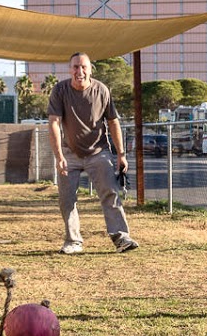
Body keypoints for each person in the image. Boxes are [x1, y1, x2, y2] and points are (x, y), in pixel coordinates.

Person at [47, 52, 138, 254]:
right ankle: (73, 241)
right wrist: (59, 156)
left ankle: (121, 237)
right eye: (75, 67)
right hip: (69, 153)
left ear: (90, 69)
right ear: (70, 69)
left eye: (83, 67)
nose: (79, 71)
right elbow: (53, 122)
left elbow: (113, 122)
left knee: (110, 193)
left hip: (99, 152)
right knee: (66, 198)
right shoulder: (60, 90)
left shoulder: (102, 90)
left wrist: (121, 154)